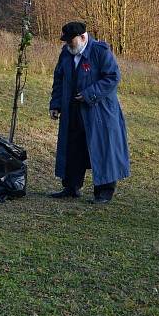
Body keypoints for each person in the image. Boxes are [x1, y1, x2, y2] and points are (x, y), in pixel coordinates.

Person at [49, 21, 130, 203]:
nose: (68, 45)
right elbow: (59, 79)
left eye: (71, 41)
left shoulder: (101, 52)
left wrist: (88, 94)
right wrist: (55, 104)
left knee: (102, 149)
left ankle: (104, 192)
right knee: (73, 148)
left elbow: (112, 77)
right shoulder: (66, 53)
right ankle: (71, 187)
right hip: (73, 111)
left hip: (99, 112)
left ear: (83, 37)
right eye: (66, 41)